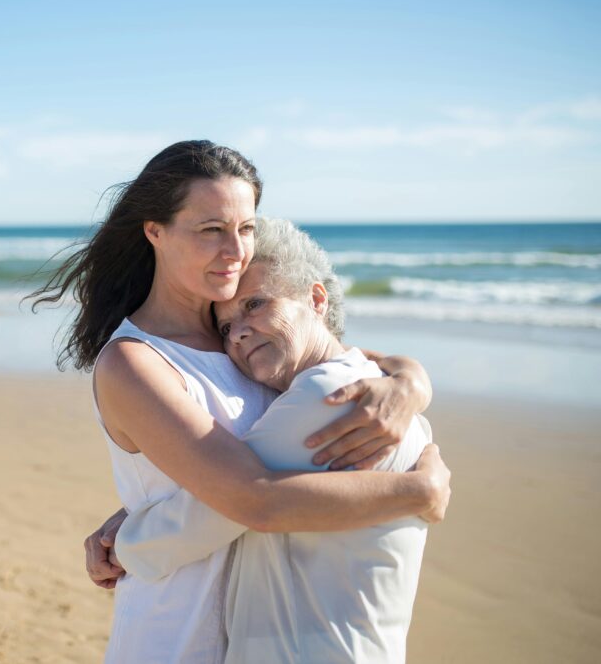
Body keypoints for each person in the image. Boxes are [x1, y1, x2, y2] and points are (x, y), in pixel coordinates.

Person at [29, 140, 450, 663]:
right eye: (211, 230)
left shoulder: (237, 339)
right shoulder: (136, 362)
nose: (235, 251)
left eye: (245, 228)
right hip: (179, 633)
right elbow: (252, 496)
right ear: (154, 231)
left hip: (266, 631)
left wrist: (411, 380)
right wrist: (416, 492)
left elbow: (341, 362)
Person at [110, 217, 437, 663]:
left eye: (255, 304)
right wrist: (410, 374)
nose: (238, 332)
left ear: (316, 298)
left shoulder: (327, 397)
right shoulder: (381, 391)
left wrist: (121, 544)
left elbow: (220, 504)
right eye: (224, 328)